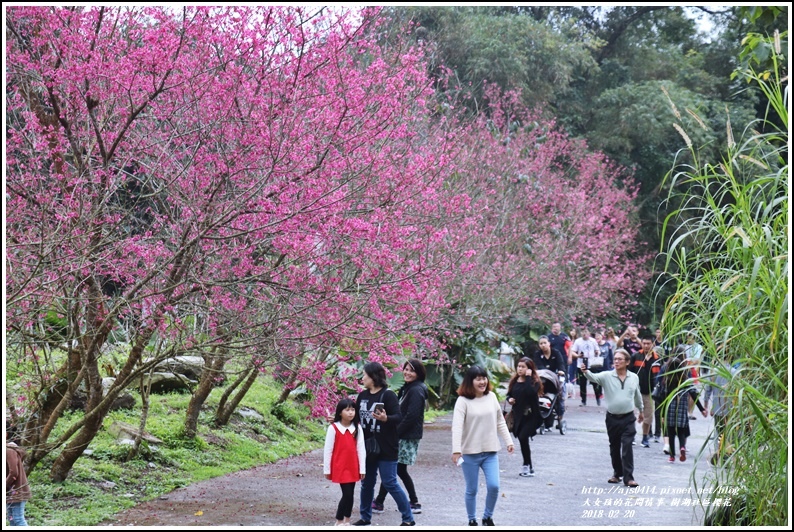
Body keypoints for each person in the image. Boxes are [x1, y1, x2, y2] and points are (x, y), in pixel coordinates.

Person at [353, 362, 415, 527]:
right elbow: (355, 418)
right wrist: (338, 420)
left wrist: (386, 419)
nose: (362, 377)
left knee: (390, 482)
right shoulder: (362, 396)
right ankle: (365, 517)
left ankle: (408, 518)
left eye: (365, 374)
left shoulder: (388, 395)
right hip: (367, 447)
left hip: (387, 447)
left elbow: (399, 417)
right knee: (367, 484)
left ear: (373, 376)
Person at [451, 365, 514, 526]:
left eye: (484, 378)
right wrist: (456, 451)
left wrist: (508, 441)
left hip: (490, 451)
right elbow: (457, 427)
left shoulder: (492, 397)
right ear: (470, 382)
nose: (482, 382)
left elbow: (500, 420)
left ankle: (487, 516)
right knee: (472, 489)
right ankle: (472, 519)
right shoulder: (462, 401)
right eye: (478, 379)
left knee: (494, 486)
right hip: (470, 453)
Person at [372, 359, 428, 516]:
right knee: (397, 468)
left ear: (419, 373)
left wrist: (395, 433)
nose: (407, 373)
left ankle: (385, 502)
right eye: (406, 369)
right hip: (403, 434)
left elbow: (412, 416)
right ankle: (382, 502)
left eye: (412, 370)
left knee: (396, 468)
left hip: (406, 436)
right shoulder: (408, 388)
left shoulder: (416, 390)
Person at [582, 349, 643, 488]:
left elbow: (637, 395)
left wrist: (641, 410)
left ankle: (629, 478)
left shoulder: (634, 377)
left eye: (620, 359)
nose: (616, 361)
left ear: (627, 362)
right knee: (614, 446)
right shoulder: (607, 376)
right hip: (612, 418)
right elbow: (593, 377)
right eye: (615, 359)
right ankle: (617, 473)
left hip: (628, 417)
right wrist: (585, 371)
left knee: (627, 445)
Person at [324, 398, 366, 526]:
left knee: (351, 493)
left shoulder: (357, 428)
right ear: (340, 412)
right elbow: (328, 450)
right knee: (347, 494)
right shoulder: (334, 428)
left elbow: (361, 448)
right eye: (347, 410)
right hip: (340, 466)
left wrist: (362, 468)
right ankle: (339, 520)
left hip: (353, 465)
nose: (351, 413)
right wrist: (327, 469)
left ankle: (347, 520)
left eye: (353, 409)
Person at [662, 348, 708, 463]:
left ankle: (672, 456)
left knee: (671, 432)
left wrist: (662, 415)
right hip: (682, 407)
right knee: (681, 430)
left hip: (670, 408)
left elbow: (663, 398)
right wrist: (702, 409)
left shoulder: (667, 380)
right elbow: (694, 394)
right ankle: (682, 446)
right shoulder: (685, 380)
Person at [505, 358, 543, 477]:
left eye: (523, 367)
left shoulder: (534, 382)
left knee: (523, 437)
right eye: (519, 366)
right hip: (518, 416)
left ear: (529, 369)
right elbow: (509, 393)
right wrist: (509, 399)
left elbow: (530, 393)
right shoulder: (515, 381)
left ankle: (526, 465)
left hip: (531, 416)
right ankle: (529, 466)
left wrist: (527, 378)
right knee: (522, 440)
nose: (520, 369)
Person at [629, 336, 661, 447]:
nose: (646, 346)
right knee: (631, 415)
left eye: (648, 343)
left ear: (653, 345)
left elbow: (660, 377)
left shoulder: (657, 359)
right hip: (635, 391)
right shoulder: (636, 356)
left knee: (648, 416)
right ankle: (632, 436)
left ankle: (645, 437)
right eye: (644, 343)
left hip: (649, 393)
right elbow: (629, 372)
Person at [532, 335, 567, 425]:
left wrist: (561, 371)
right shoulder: (537, 354)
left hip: (554, 379)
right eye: (541, 343)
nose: (543, 345)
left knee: (559, 396)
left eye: (545, 343)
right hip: (542, 379)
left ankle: (560, 415)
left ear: (549, 344)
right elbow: (538, 366)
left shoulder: (556, 353)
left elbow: (561, 364)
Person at [571, 328, 601, 406]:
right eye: (583, 332)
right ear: (581, 333)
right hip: (581, 365)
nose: (585, 334)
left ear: (589, 333)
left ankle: (598, 398)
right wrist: (578, 356)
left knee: (595, 382)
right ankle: (583, 400)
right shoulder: (578, 341)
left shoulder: (593, 341)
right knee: (582, 383)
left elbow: (598, 350)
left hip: (592, 364)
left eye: (586, 332)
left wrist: (597, 352)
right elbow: (573, 352)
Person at [6, 439, 31, 526]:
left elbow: (13, 472)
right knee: (11, 518)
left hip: (16, 490)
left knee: (18, 519)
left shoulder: (9, 450)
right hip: (9, 492)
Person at [546, 323, 571, 395]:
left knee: (563, 374)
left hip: (563, 358)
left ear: (560, 327)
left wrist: (570, 357)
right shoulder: (549, 337)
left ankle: (564, 391)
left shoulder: (565, 336)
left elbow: (569, 347)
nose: (555, 328)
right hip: (552, 358)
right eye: (554, 326)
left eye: (557, 326)